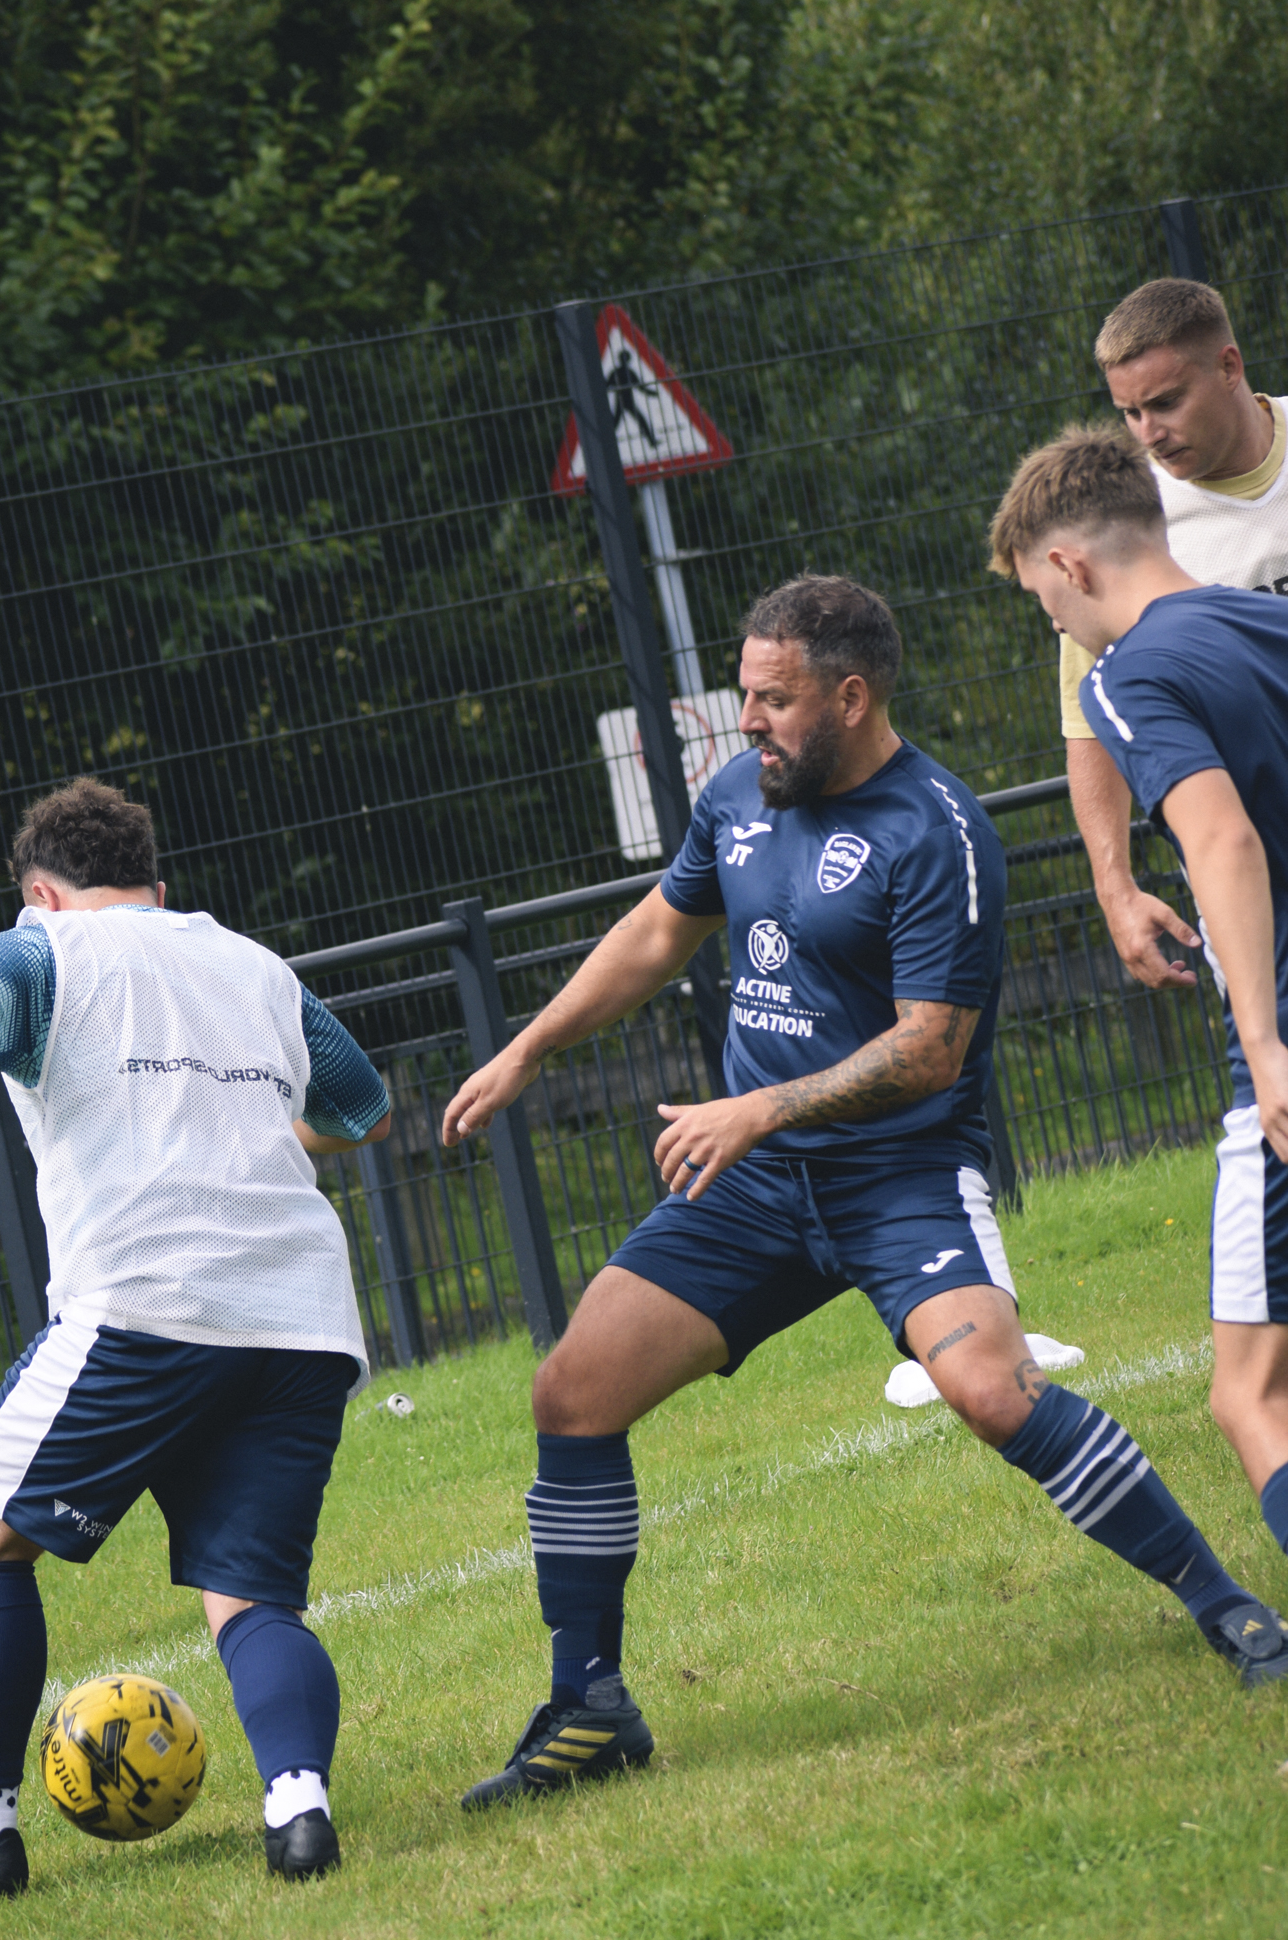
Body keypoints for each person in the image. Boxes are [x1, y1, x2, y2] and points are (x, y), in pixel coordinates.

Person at [440, 573, 1288, 1810]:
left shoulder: (934, 829)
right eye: (744, 693)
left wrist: (760, 1106)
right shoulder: (734, 797)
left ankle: (1228, 1609)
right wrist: (525, 1048)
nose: (749, 721)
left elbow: (928, 1049)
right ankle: (589, 1707)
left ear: (849, 695)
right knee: (571, 1392)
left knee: (992, 1393)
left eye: (773, 698)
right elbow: (655, 932)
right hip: (752, 1185)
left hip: (900, 1175)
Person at [0, 777, 390, 1899]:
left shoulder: (44, 951)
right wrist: (246, 1147)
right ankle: (299, 1809)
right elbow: (358, 1105)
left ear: (41, 893)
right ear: (159, 886)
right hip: (300, 1315)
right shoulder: (251, 964)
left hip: (145, 1304)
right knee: (250, 1593)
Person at [996, 424, 1288, 1601]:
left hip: (1278, 1048)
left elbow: (1216, 837)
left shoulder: (1125, 675)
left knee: (1247, 1392)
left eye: (1035, 597)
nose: (1048, 623)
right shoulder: (1267, 619)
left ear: (1068, 564)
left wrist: (1263, 1045)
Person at [1062, 278, 1288, 993]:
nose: (1147, 433)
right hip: (1257, 886)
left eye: (1163, 403)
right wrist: (1114, 887)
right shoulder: (1127, 520)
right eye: (1127, 412)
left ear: (1228, 367)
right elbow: (1088, 716)